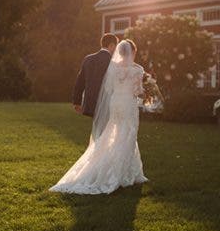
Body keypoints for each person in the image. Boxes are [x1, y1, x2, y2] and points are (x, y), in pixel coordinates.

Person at [51, 39, 148, 194]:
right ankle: (121, 174)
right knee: (128, 134)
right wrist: (147, 91)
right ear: (132, 52)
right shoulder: (137, 69)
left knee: (114, 134)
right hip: (128, 104)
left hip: (115, 103)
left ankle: (125, 170)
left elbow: (108, 88)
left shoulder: (113, 67)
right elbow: (137, 91)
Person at [72, 33, 119, 116]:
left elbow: (79, 82)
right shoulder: (112, 63)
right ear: (111, 45)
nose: (116, 50)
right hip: (105, 105)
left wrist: (77, 102)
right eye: (116, 46)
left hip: (89, 105)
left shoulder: (88, 59)